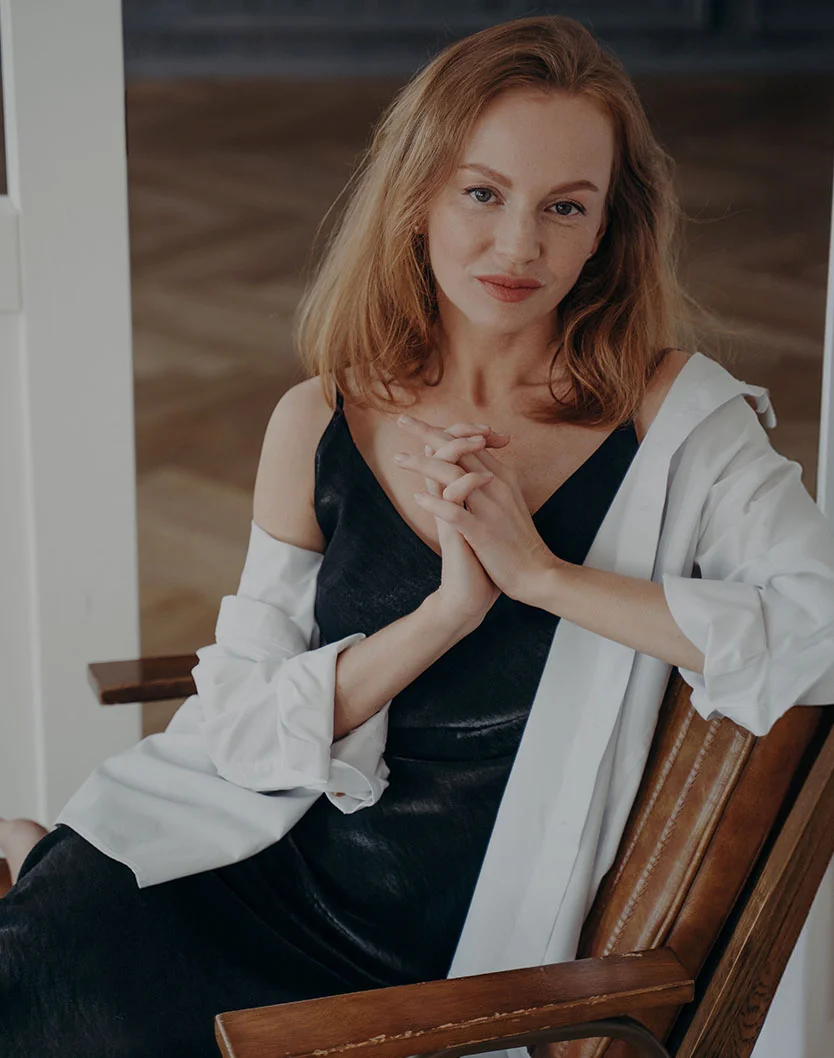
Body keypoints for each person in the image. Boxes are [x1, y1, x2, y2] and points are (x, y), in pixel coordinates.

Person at [3, 14, 834, 1058]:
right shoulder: (318, 421)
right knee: (40, 971)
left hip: (427, 958)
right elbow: (244, 735)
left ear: (607, 229)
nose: (518, 245)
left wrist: (542, 573)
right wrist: (446, 614)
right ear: (417, 197)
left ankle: (45, 868)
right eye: (481, 193)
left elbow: (822, 632)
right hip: (238, 863)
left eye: (564, 208)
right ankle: (60, 870)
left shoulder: (670, 421)